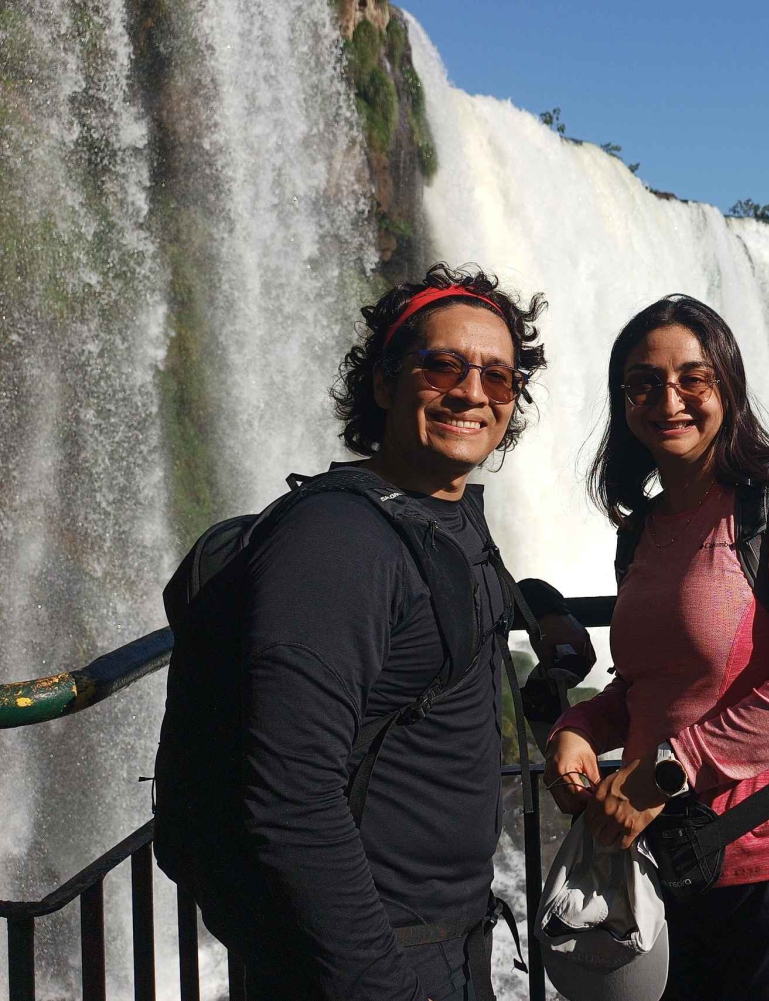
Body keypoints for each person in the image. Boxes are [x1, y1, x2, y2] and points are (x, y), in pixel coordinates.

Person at [155, 264, 593, 1000]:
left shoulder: (443, 517)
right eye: (442, 364)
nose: (471, 391)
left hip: (449, 942)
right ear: (386, 383)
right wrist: (379, 983)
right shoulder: (337, 542)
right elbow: (291, 799)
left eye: (499, 376)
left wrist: (544, 607)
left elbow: (456, 610)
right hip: (366, 961)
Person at [543, 294, 769, 1001]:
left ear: (728, 383)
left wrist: (657, 775)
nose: (669, 399)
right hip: (677, 865)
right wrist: (582, 726)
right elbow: (648, 685)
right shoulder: (642, 529)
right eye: (643, 383)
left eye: (693, 378)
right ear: (623, 402)